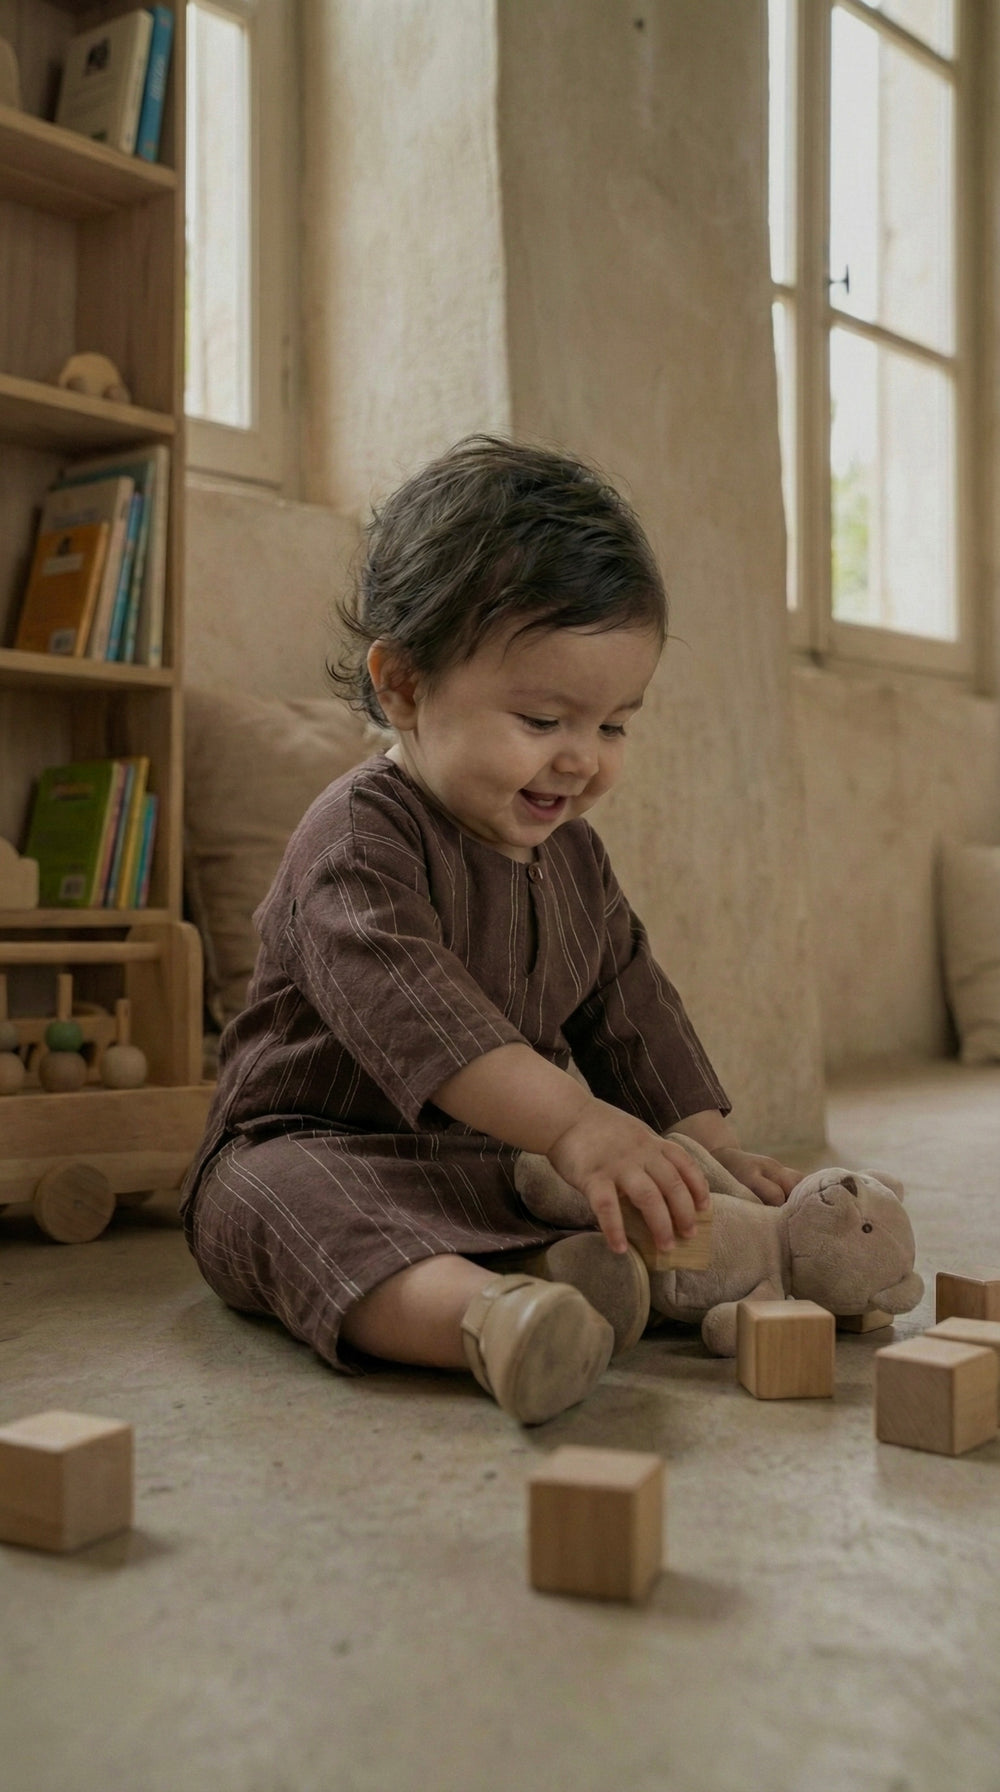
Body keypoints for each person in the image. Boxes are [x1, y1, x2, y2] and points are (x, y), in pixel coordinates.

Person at [180, 437, 802, 1425]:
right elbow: (417, 1014)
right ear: (405, 687)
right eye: (543, 718)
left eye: (613, 726)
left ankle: (575, 1273)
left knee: (601, 1188)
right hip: (319, 1144)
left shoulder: (574, 856)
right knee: (282, 1203)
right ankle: (491, 1318)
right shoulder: (355, 839)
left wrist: (706, 1142)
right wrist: (573, 1122)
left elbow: (627, 1004)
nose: (580, 761)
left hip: (492, 1166)